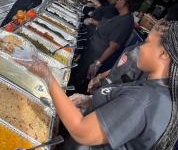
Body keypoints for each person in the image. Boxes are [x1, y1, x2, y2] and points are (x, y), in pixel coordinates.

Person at [18, 20, 178, 150]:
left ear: (163, 53)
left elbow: (82, 132)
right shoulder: (159, 93)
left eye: (148, 42)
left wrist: (47, 76)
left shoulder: (145, 98)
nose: (141, 48)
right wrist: (90, 101)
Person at [71, 0, 137, 92]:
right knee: (77, 74)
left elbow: (113, 46)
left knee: (78, 80)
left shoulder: (126, 21)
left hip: (96, 55)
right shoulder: (120, 17)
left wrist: (97, 63)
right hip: (92, 50)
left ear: (128, 3)